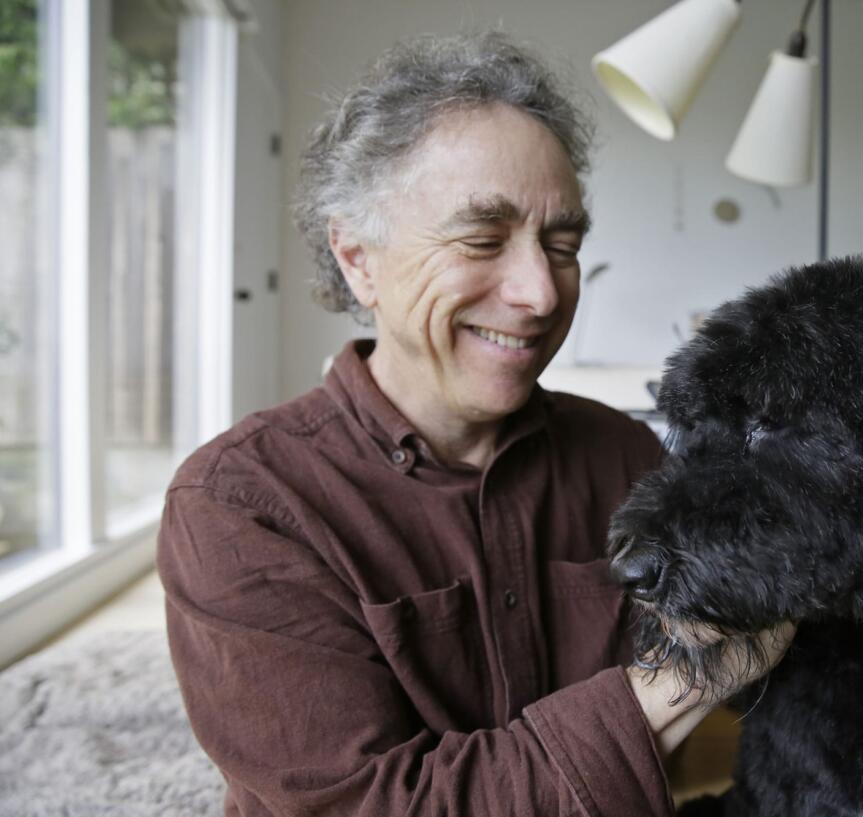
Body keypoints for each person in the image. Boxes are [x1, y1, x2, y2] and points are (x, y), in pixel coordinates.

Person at [158, 31, 791, 817]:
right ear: (358, 257)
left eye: (562, 245)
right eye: (483, 239)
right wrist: (685, 675)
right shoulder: (241, 505)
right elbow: (375, 805)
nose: (541, 292)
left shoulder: (625, 456)